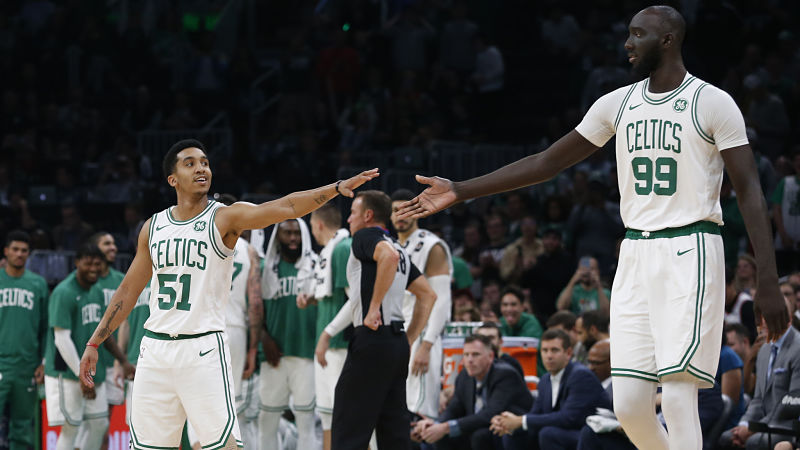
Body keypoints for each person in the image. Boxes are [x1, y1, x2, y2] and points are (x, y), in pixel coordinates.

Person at [397, 6, 788, 449]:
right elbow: (546, 162)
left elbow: (750, 190)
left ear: (667, 40)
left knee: (679, 398)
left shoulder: (712, 102)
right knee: (630, 406)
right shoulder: (617, 103)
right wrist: (462, 189)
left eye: (638, 34)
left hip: (690, 247)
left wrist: (767, 278)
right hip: (635, 251)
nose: (627, 43)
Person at [78, 139, 378, 449]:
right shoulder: (153, 227)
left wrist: (335, 188)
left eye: (205, 163)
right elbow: (128, 289)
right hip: (155, 348)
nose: (201, 169)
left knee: (223, 445)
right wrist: (94, 342)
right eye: (190, 163)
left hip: (202, 347)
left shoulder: (224, 217)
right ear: (172, 179)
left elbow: (285, 207)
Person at [331, 190, 436, 450]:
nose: (349, 220)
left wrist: (374, 307)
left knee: (348, 427)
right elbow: (428, 295)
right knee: (394, 432)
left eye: (353, 213)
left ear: (368, 215)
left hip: (372, 338)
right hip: (396, 345)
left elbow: (388, 257)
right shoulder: (399, 245)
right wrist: (408, 339)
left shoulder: (365, 236)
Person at [45, 244, 133, 450]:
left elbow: (104, 334)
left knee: (99, 424)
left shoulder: (97, 291)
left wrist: (123, 361)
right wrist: (81, 375)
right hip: (67, 372)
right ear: (77, 262)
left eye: (98, 263)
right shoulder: (64, 292)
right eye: (88, 263)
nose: (93, 268)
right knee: (71, 428)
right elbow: (61, 339)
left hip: (92, 373)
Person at [391, 188, 454, 421]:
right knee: (397, 410)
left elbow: (442, 300)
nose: (401, 215)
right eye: (396, 210)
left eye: (406, 209)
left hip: (423, 336)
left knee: (419, 412)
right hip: (397, 333)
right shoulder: (390, 247)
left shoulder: (431, 245)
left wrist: (426, 346)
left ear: (417, 212)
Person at [490, 328, 610, 450]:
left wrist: (520, 421)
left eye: (554, 350)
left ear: (568, 353)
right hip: (563, 432)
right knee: (514, 433)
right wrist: (507, 422)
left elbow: (568, 418)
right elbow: (535, 414)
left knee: (548, 434)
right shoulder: (545, 380)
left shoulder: (580, 375)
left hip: (591, 436)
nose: (549, 356)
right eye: (545, 350)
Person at [258, 218, 319, 450]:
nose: (293, 238)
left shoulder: (316, 266)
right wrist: (264, 337)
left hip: (306, 353)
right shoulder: (265, 269)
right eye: (287, 233)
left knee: (306, 422)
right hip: (273, 356)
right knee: (267, 421)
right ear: (277, 237)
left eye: (297, 233)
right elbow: (253, 310)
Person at [412, 334, 532, 450]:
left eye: (475, 354)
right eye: (466, 354)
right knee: (440, 436)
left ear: (490, 356)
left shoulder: (505, 375)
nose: (470, 360)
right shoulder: (465, 376)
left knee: (479, 436)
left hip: (512, 430)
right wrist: (436, 425)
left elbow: (490, 414)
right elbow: (454, 408)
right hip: (480, 426)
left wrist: (445, 427)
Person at [305, 203, 352, 450]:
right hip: (326, 346)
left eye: (312, 227)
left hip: (340, 344)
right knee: (327, 416)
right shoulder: (327, 251)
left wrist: (327, 334)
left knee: (348, 418)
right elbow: (333, 295)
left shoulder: (343, 248)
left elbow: (355, 300)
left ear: (319, 225)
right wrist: (312, 298)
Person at [215, 194, 259, 447]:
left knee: (199, 406)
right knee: (231, 407)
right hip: (235, 330)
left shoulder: (201, 239)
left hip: (203, 327)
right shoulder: (249, 250)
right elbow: (255, 304)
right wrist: (253, 349)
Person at [719, 315, 800, 449]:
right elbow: (755, 397)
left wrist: (752, 429)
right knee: (727, 438)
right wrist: (745, 425)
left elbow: (789, 407)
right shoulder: (764, 352)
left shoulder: (795, 352)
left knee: (755, 442)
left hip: (784, 424)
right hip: (761, 420)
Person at [0, 230, 48, 449]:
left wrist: (43, 362)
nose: (19, 254)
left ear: (29, 254)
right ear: (6, 251)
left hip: (27, 366)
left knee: (22, 428)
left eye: (24, 250)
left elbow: (46, 327)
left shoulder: (38, 284)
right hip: (2, 362)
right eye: (15, 249)